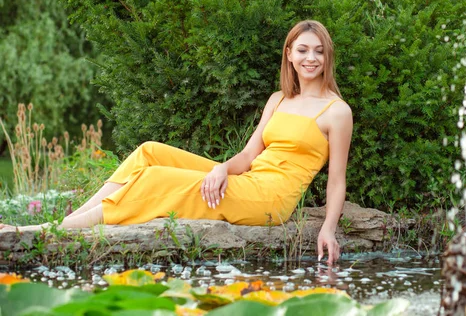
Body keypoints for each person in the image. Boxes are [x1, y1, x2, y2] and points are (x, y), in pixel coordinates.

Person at [0, 20, 353, 265]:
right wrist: (220, 169)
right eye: (303, 50)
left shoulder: (336, 112)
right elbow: (248, 154)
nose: (311, 58)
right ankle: (78, 218)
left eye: (319, 52)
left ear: (327, 58)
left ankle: (42, 230)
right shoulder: (278, 99)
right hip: (250, 179)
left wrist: (328, 229)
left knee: (157, 180)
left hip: (271, 200)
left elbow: (337, 179)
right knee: (149, 152)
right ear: (289, 53)